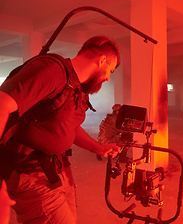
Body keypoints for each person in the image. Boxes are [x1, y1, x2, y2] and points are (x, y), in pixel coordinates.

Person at [0, 35, 121, 224]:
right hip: (29, 172)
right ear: (102, 60)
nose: (107, 77)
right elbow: (1, 105)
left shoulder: (77, 87)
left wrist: (98, 148)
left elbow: (69, 127)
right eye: (110, 70)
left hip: (56, 170)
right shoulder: (52, 70)